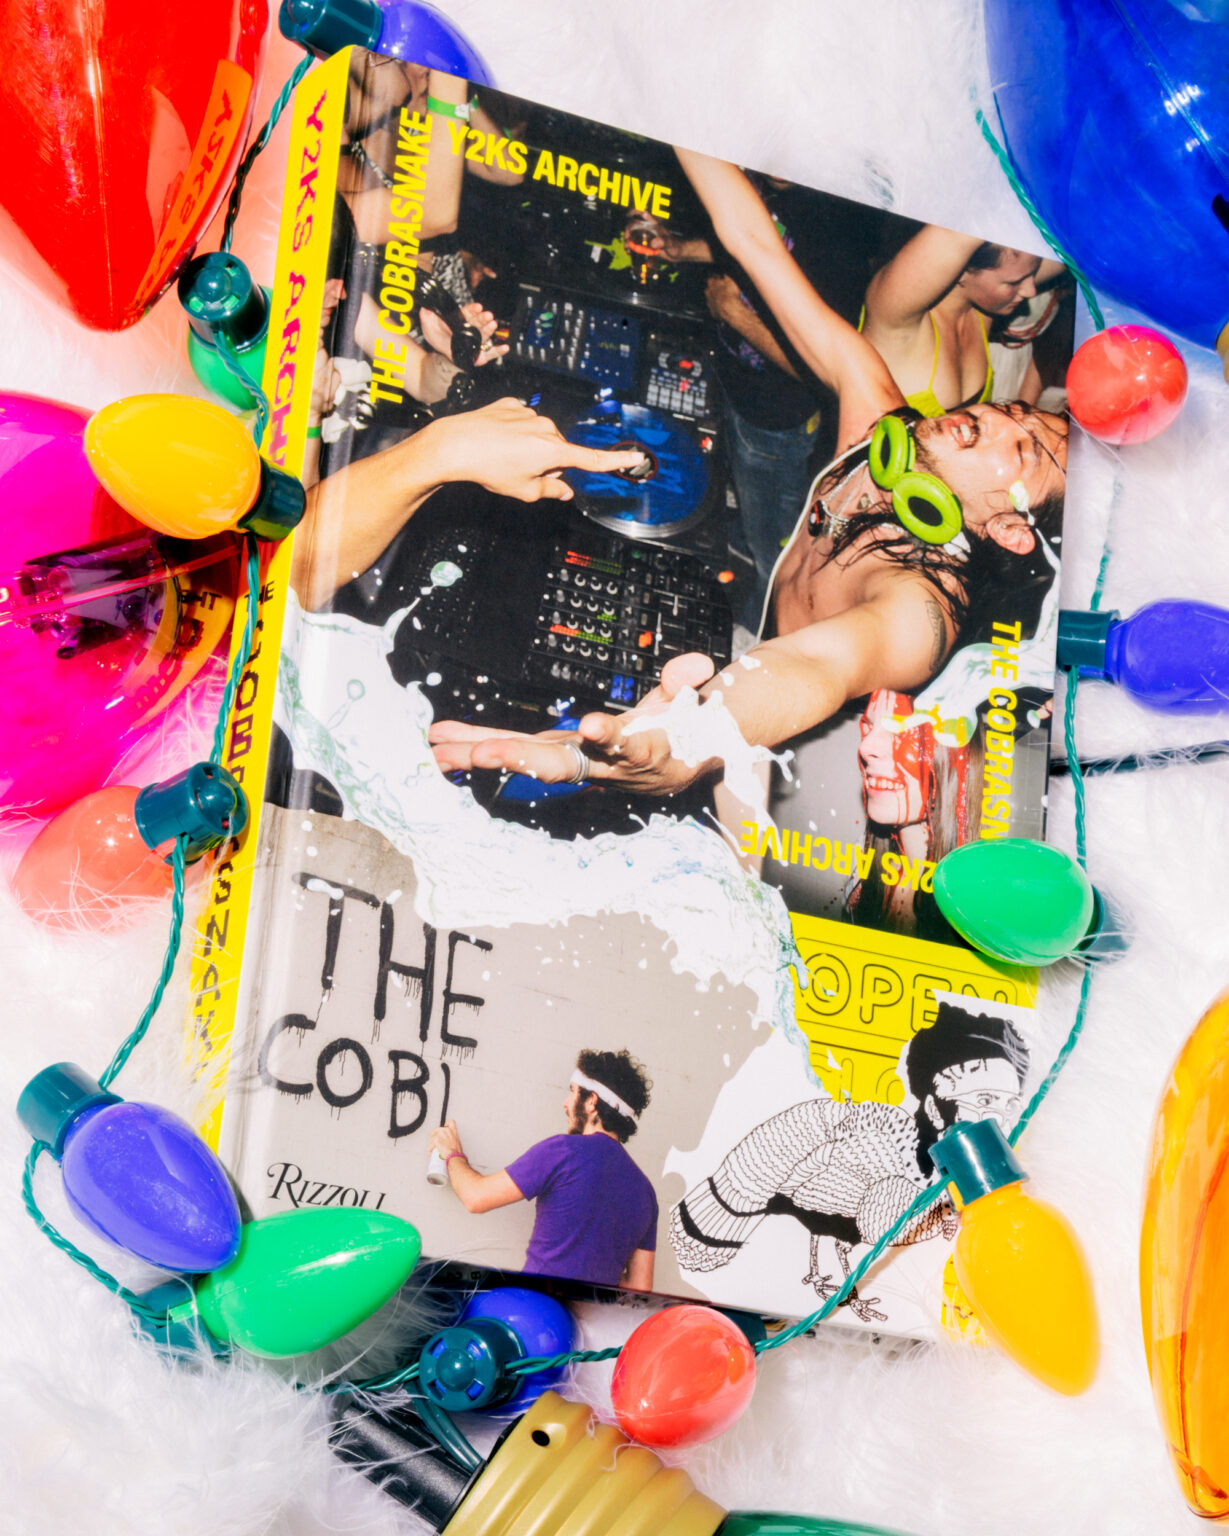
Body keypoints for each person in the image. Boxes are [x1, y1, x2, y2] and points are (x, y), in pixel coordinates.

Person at [428, 147, 1067, 804]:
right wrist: (688, 121)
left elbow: (813, 665)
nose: (996, 419)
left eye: (1022, 450)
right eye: (1016, 412)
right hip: (757, 652)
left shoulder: (921, 613)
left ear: (1009, 530)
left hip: (798, 766)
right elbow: (757, 248)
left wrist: (683, 739)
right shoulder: (880, 424)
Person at [669, 998, 1027, 1318]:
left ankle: (826, 1281)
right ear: (934, 1107)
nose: (999, 1120)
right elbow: (826, 1208)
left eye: (1009, 1105)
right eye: (983, 1101)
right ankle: (835, 1286)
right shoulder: (903, 1177)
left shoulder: (927, 1170)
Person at [630, 180, 875, 628]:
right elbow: (754, 241)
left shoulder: (837, 229)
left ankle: (762, 617)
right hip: (739, 388)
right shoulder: (781, 190)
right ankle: (747, 536)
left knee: (775, 542)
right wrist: (681, 250)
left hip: (776, 421)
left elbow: (824, 370)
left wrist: (735, 314)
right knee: (749, 502)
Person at [428, 1049, 658, 1290]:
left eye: (572, 1091)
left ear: (591, 1102)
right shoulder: (645, 1192)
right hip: (593, 1312)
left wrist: (452, 1154)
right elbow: (639, 1288)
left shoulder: (563, 1151)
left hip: (537, 1304)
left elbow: (476, 1198)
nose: (565, 1103)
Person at [860, 224, 1042, 415]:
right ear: (961, 268)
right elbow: (955, 234)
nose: (1031, 291)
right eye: (1014, 283)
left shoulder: (982, 309)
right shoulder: (897, 316)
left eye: (1033, 274)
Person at [849, 688, 979, 940]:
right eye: (868, 726)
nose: (865, 747)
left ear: (953, 754)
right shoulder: (860, 868)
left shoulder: (979, 901)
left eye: (899, 728)